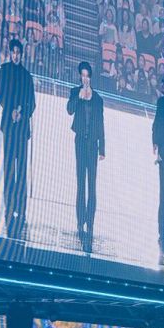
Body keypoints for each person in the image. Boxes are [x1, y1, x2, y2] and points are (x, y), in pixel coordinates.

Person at [0, 38, 36, 239]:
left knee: (21, 169)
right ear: (10, 53)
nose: (15, 55)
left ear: (22, 54)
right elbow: (0, 94)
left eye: (18, 53)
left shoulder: (27, 76)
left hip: (22, 130)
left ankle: (21, 207)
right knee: (8, 167)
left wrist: (22, 113)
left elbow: (32, 102)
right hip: (8, 127)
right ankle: (9, 205)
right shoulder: (4, 70)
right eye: (13, 52)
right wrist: (11, 110)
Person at [66, 62, 105, 254]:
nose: (85, 79)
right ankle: (80, 220)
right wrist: (79, 97)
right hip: (80, 142)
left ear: (91, 77)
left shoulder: (98, 99)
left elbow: (101, 123)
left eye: (87, 76)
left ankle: (90, 221)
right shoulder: (75, 92)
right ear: (79, 77)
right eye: (82, 75)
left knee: (92, 186)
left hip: (93, 145)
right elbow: (69, 110)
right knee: (81, 183)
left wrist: (102, 148)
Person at [153, 76, 164, 267]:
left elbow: (156, 127)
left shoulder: (162, 102)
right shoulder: (162, 102)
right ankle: (162, 238)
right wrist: (157, 148)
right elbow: (157, 127)